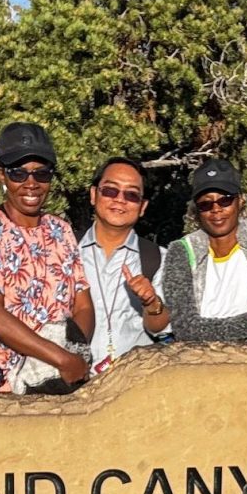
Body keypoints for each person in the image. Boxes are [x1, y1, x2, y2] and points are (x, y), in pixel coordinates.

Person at [0, 123, 94, 394]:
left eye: (42, 173)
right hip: (4, 388)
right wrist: (60, 358)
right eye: (18, 173)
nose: (31, 183)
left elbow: (82, 304)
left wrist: (74, 353)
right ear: (1, 175)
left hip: (60, 381)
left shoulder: (61, 230)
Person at [156, 158, 247, 342]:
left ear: (240, 201)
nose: (216, 209)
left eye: (225, 200)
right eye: (206, 204)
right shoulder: (181, 251)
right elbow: (184, 328)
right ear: (196, 210)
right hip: (197, 361)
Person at [77, 156, 169, 371]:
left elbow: (161, 329)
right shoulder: (65, 251)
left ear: (142, 206)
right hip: (71, 387)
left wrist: (151, 303)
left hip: (132, 387)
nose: (120, 199)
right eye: (110, 190)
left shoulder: (157, 258)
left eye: (131, 194)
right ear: (93, 195)